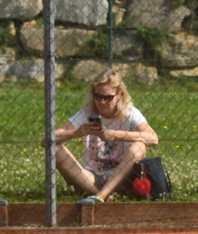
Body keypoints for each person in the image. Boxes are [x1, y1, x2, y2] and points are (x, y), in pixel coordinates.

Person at [41, 70, 159, 202]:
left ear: (119, 95)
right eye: (98, 96)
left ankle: (101, 196)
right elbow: (46, 140)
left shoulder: (130, 113)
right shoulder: (86, 113)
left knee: (139, 146)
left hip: (121, 179)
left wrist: (116, 134)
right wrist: (75, 133)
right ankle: (99, 195)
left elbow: (153, 138)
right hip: (90, 179)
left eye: (108, 98)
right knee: (54, 148)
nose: (102, 102)